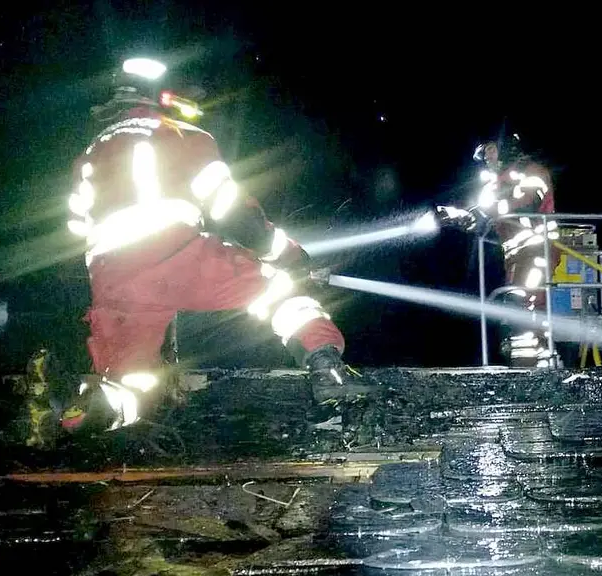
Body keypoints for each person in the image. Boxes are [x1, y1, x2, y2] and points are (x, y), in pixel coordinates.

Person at [59, 57, 369, 433]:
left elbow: (78, 228)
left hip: (114, 275)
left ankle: (87, 413)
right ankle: (329, 374)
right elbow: (231, 209)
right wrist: (285, 255)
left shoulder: (88, 156)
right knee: (280, 290)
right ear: (162, 97)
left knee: (129, 383)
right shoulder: (182, 135)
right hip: (177, 252)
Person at [471, 134, 559, 367]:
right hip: (516, 254)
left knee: (518, 301)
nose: (488, 157)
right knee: (528, 305)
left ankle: (525, 367)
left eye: (491, 150)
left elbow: (526, 203)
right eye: (484, 153)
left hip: (537, 247)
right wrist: (463, 218)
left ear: (506, 148)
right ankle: (542, 360)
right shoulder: (496, 182)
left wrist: (491, 210)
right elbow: (486, 216)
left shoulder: (532, 171)